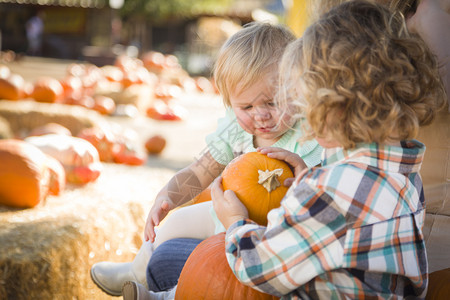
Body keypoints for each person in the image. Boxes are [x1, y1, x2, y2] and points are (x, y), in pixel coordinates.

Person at [212, 1, 446, 299]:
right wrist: (308, 181)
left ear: (334, 106)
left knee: (176, 263)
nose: (301, 115)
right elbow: (350, 230)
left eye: (303, 102)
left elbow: (257, 266)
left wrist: (235, 222)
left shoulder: (331, 192)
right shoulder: (405, 172)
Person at [91, 22, 323, 297]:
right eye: (246, 107)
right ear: (230, 103)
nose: (260, 115)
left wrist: (304, 173)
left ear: (297, 91)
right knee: (173, 224)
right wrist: (167, 196)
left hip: (271, 234)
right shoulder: (235, 130)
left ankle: (165, 296)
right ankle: (137, 269)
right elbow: (200, 171)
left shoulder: (309, 137)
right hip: (222, 213)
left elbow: (318, 191)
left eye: (272, 103)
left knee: (212, 273)